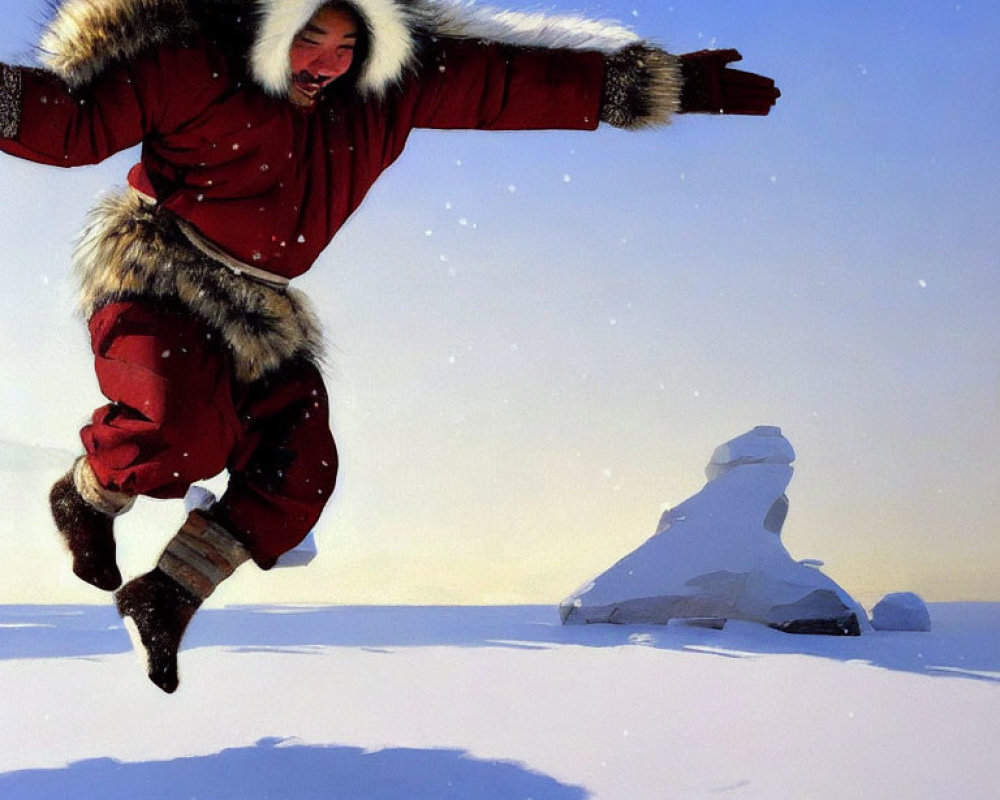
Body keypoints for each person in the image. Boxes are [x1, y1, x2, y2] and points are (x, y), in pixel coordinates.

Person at [0, 0, 778, 692]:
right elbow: (70, 121)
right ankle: (88, 490)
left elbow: (511, 81)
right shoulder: (192, 57)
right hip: (157, 276)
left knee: (300, 468)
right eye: (310, 38)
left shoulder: (395, 81)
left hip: (261, 306)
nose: (326, 64)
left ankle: (165, 596)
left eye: (347, 45)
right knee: (182, 432)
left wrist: (663, 86)